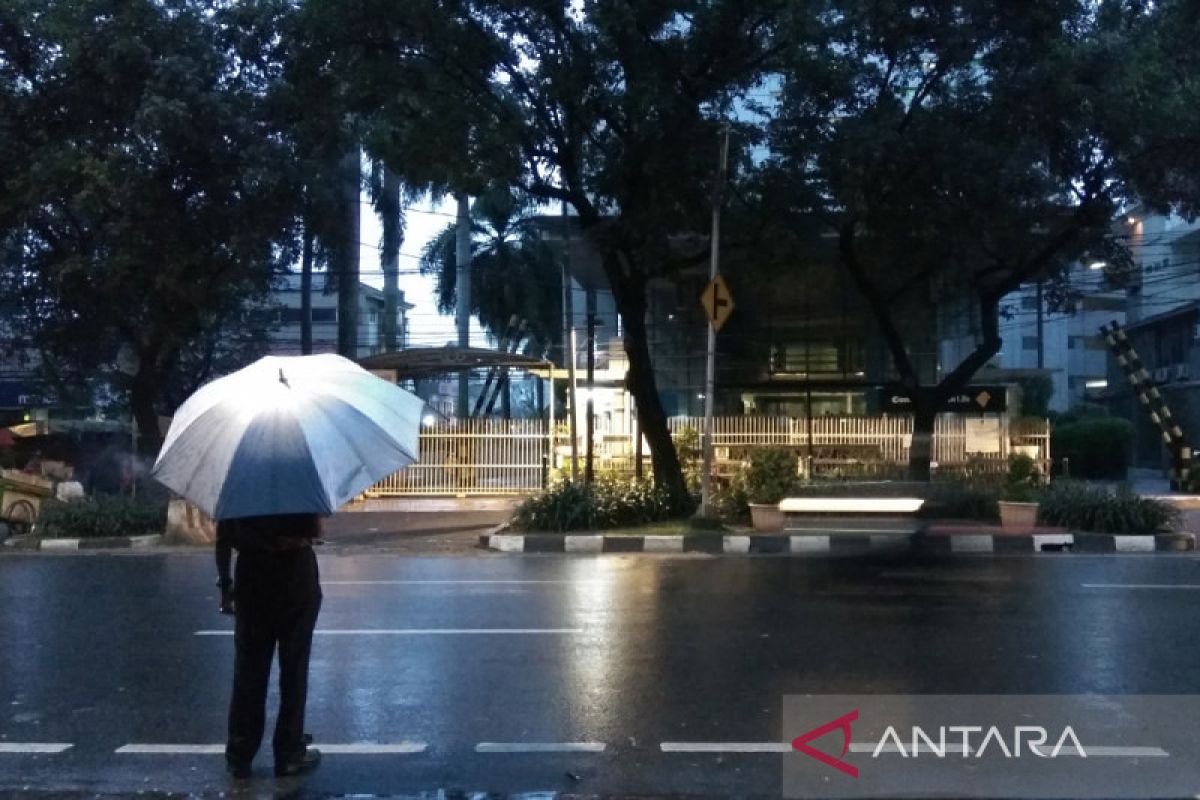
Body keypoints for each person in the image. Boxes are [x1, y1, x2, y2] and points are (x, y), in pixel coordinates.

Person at [215, 513, 323, 779]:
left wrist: (226, 584)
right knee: (294, 668)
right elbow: (315, 529)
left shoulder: (240, 479)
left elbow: (224, 537)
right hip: (296, 572)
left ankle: (240, 754)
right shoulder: (299, 477)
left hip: (253, 573)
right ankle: (288, 753)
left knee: (249, 670)